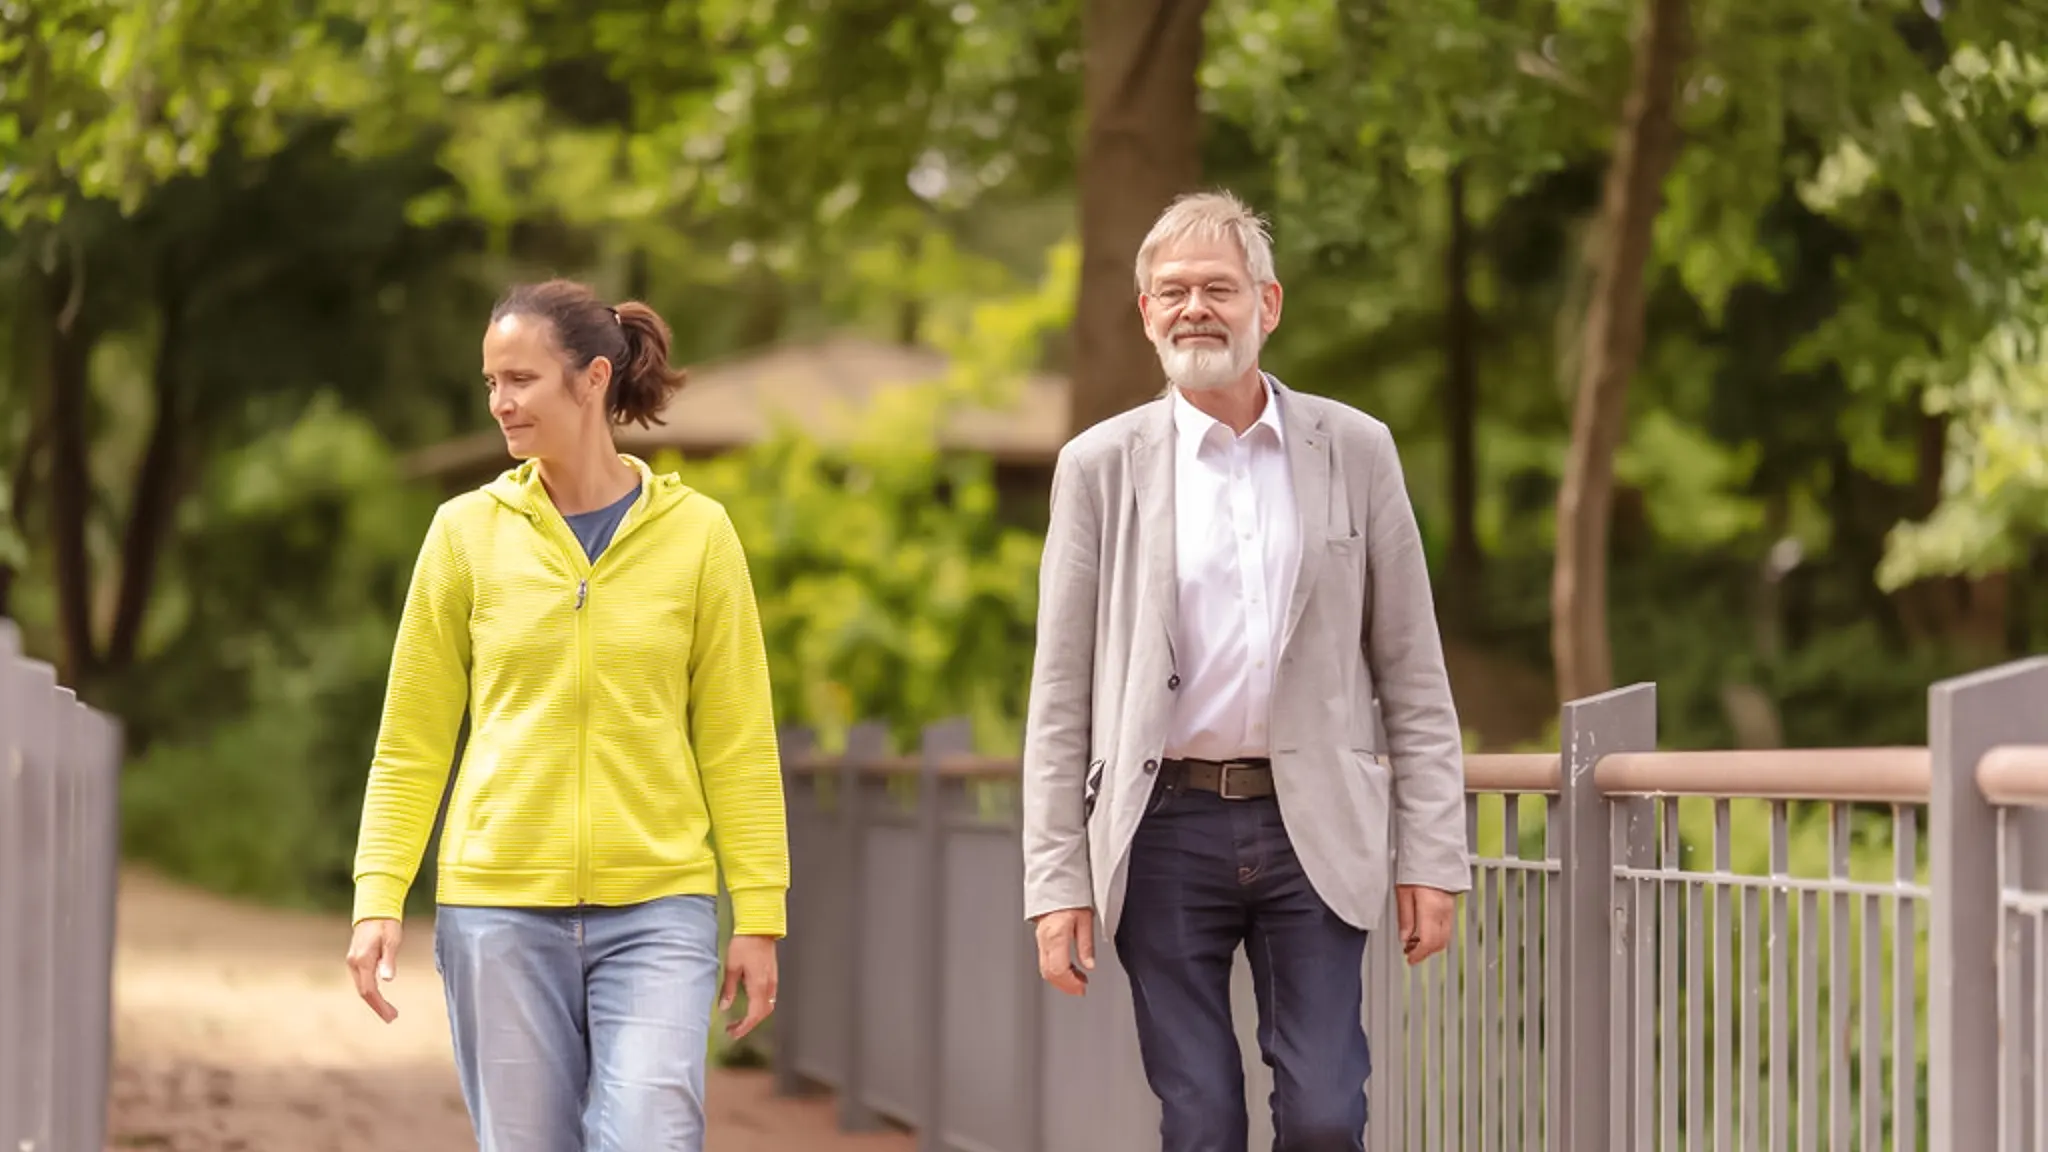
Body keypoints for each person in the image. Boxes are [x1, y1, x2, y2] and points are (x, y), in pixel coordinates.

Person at [1019, 191, 1471, 1152]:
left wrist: (1433, 855)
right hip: (1164, 827)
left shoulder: (1355, 450)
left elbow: (1414, 677)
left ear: (1268, 304)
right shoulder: (1098, 467)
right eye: (1172, 291)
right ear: (1144, 314)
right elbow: (1060, 693)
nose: (1195, 309)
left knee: (1322, 1115)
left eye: (1218, 288)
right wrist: (1056, 881)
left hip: (1312, 824)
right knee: (1201, 1121)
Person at [344, 279, 789, 1152]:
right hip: (498, 909)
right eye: (490, 383)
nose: (500, 403)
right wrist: (377, 894)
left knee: (652, 1135)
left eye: (520, 380)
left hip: (659, 905)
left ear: (592, 379)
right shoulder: (464, 535)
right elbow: (412, 741)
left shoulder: (699, 536)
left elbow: (737, 737)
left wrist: (761, 912)